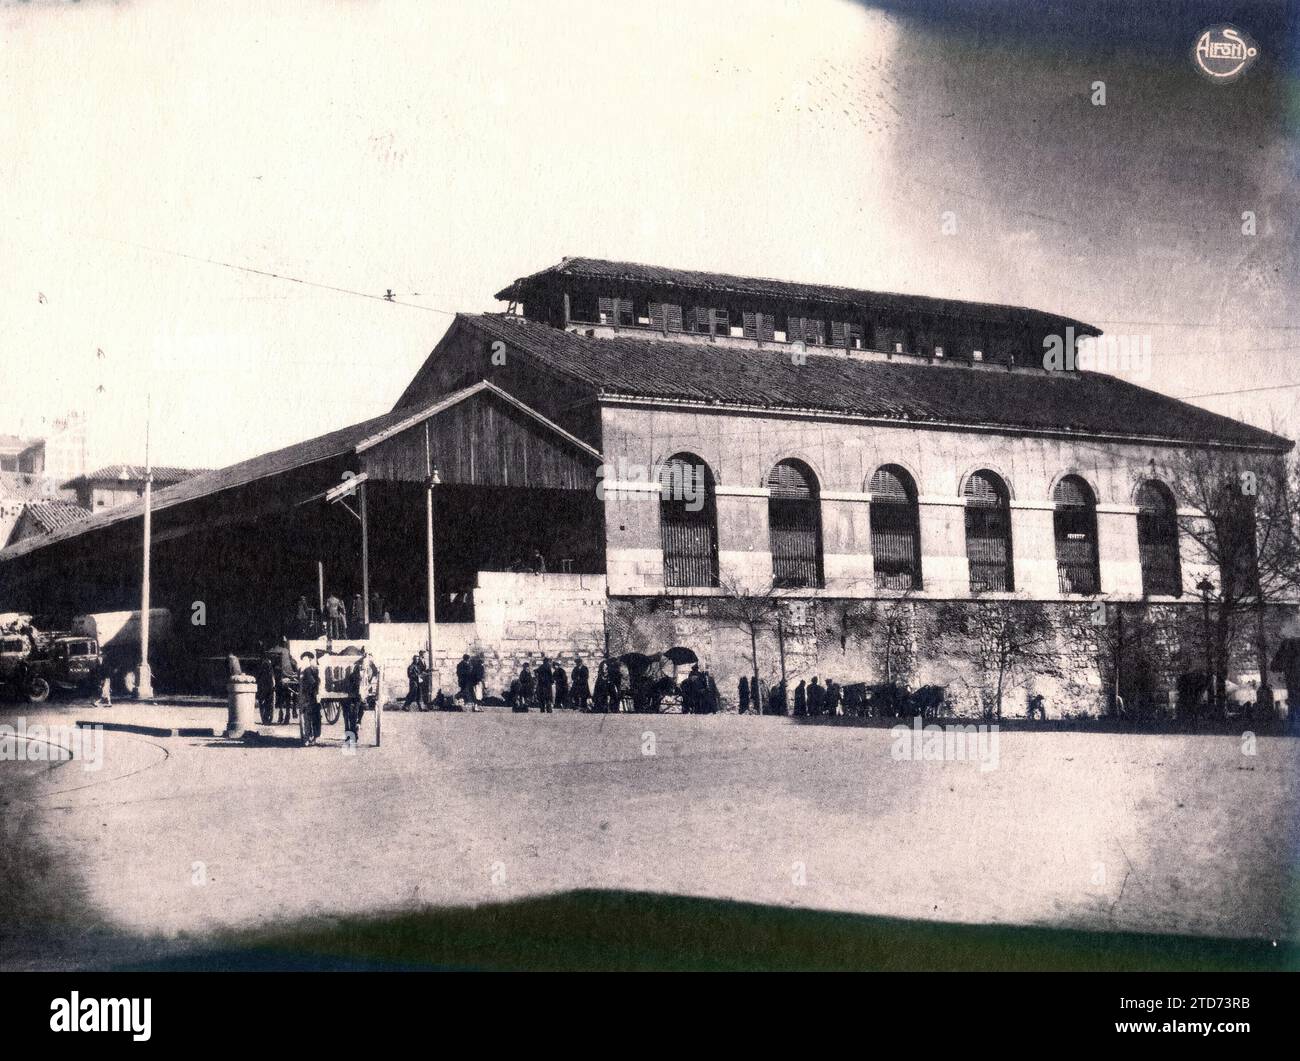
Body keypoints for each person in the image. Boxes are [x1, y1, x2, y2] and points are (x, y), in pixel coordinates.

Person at [345, 649, 378, 741]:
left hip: (363, 696)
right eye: (362, 664)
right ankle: (352, 734)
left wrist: (369, 688)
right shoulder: (355, 673)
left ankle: (357, 725)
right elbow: (352, 681)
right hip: (355, 696)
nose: (363, 666)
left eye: (365, 664)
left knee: (359, 711)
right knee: (353, 713)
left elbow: (374, 677)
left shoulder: (369, 671)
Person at [299, 651, 321, 746]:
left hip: (312, 696)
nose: (307, 661)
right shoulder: (304, 670)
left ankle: (312, 737)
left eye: (309, 659)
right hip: (307, 696)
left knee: (313, 716)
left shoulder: (314, 670)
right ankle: (309, 737)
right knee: (308, 717)